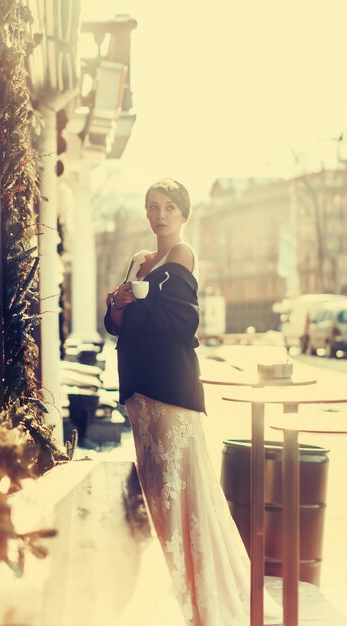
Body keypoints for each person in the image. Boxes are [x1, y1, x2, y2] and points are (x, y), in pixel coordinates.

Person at [104, 178, 282, 626]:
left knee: (182, 495)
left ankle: (194, 599)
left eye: (169, 207)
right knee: (156, 496)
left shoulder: (181, 256)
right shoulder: (138, 261)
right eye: (153, 206)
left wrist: (136, 305)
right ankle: (168, 588)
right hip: (139, 394)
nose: (160, 215)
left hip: (171, 393)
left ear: (184, 215)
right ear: (146, 213)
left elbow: (183, 323)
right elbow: (115, 326)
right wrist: (117, 303)